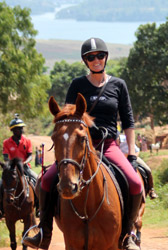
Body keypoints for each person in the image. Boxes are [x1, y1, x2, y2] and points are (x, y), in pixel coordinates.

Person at [23, 38, 143, 250]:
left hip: (108, 145)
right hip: (79, 146)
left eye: (100, 56)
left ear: (106, 57)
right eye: (91, 57)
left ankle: (127, 236)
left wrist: (132, 154)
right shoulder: (77, 85)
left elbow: (128, 121)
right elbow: (69, 115)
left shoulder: (118, 85)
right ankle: (44, 232)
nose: (96, 60)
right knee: (45, 180)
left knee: (134, 182)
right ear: (85, 61)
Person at [0, 114, 38, 219]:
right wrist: (11, 165)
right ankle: (1, 210)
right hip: (11, 169)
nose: (20, 130)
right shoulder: (6, 142)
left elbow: (30, 155)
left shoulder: (27, 141)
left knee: (37, 180)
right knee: (0, 184)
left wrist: (25, 162)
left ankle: (38, 207)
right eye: (18, 129)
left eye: (21, 128)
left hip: (25, 167)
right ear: (13, 130)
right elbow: (6, 157)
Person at [117, 133, 158, 199]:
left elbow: (137, 150)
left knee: (148, 169)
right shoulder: (109, 140)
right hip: (119, 160)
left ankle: (151, 190)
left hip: (131, 157)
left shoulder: (126, 138)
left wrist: (132, 158)